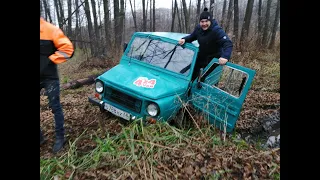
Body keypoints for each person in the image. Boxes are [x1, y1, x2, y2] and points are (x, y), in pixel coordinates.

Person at [40, 17, 74, 153]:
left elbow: (68, 49)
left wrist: (49, 61)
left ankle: (60, 137)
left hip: (50, 77)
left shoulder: (50, 29)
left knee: (55, 106)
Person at [178, 7, 233, 81]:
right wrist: (184, 39)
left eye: (206, 21)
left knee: (204, 80)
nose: (204, 24)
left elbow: (227, 43)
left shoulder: (216, 30)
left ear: (210, 21)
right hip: (202, 56)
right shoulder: (198, 29)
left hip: (213, 60)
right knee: (191, 75)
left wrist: (225, 56)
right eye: (202, 21)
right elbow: (192, 36)